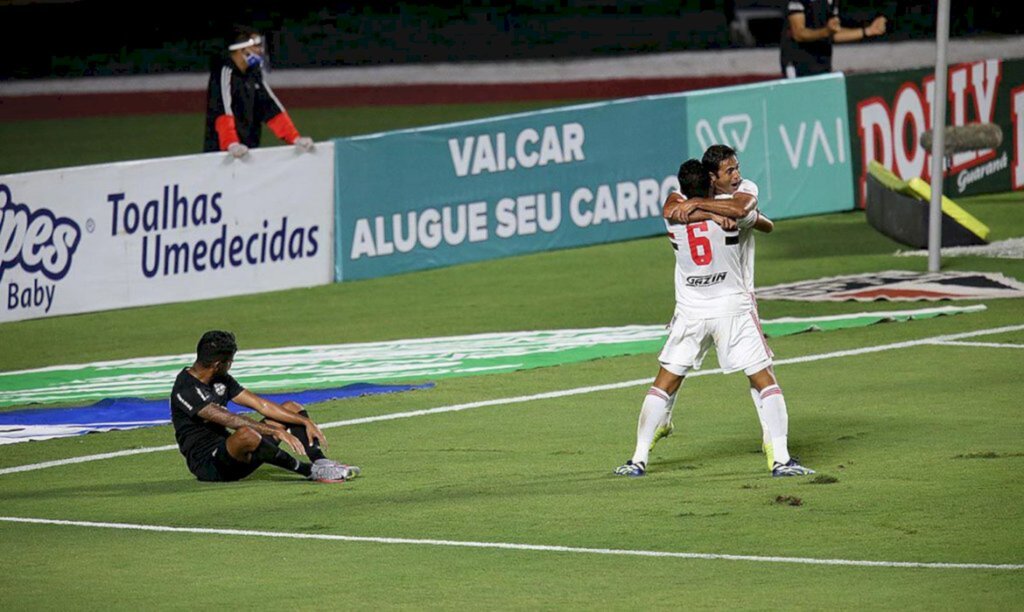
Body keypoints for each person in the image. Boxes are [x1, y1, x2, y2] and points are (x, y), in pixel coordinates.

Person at [613, 146, 814, 478]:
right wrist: (719, 212)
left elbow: (674, 207)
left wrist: (699, 206)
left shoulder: (677, 208)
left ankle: (637, 460)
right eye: (729, 171)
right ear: (711, 178)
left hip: (691, 309)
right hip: (732, 307)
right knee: (763, 378)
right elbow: (759, 221)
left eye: (737, 169)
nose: (736, 175)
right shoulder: (733, 208)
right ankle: (780, 458)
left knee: (664, 382)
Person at [170, 330, 359, 483]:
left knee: (291, 408)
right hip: (210, 466)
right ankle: (311, 472)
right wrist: (276, 431)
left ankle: (320, 462)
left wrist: (304, 420)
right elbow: (231, 420)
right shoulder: (185, 389)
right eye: (230, 362)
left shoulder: (220, 378)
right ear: (218, 364)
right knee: (246, 433)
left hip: (236, 455)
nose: (232, 364)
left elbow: (261, 404)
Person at [203, 27, 315, 157]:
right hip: (222, 154)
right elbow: (221, 110)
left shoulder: (253, 73)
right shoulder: (224, 72)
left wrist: (295, 138)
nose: (260, 50)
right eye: (256, 46)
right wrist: (231, 144)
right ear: (242, 49)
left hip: (248, 151)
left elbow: (270, 107)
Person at [780, 1, 887, 78]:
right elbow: (799, 33)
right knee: (801, 104)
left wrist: (867, 31)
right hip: (798, 65)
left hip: (822, 64)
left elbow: (833, 32)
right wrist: (826, 31)